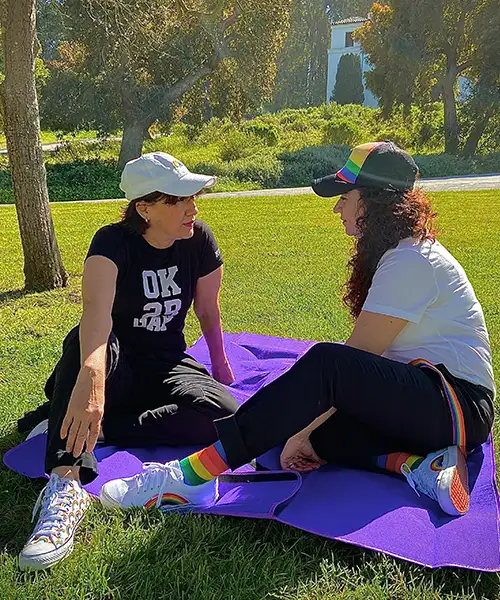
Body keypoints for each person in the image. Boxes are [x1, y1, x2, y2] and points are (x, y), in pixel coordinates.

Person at [99, 141, 495, 523]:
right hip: (429, 403)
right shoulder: (399, 253)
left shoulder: (411, 260)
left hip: (457, 403)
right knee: (299, 433)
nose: (338, 207)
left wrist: (300, 427)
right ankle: (419, 464)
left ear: (375, 202)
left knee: (322, 375)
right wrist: (300, 430)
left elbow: (357, 359)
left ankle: (193, 477)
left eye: (345, 196)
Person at [18, 153, 239, 571]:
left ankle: (98, 427)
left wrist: (221, 365)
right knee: (79, 352)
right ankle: (65, 484)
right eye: (179, 199)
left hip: (167, 360)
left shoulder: (200, 240)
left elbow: (208, 310)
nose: (193, 207)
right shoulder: (111, 242)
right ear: (145, 207)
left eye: (193, 196)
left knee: (224, 416)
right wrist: (92, 378)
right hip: (114, 353)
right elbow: (96, 313)